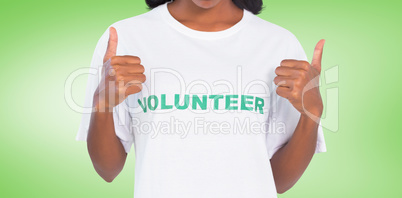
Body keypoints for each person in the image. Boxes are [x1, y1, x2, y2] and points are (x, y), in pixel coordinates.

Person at [76, 0, 327, 197]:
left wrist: (312, 113)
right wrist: (103, 104)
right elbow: (108, 170)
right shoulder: (125, 38)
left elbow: (279, 181)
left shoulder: (277, 43)